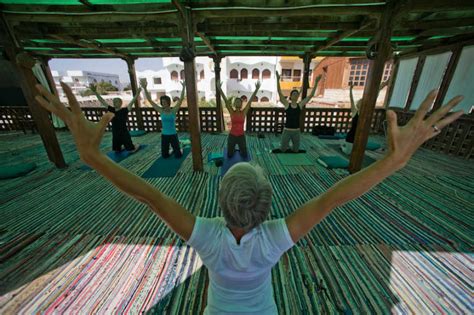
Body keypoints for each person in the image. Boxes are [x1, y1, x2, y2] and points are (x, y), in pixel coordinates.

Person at [35, 82, 463, 314]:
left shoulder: (204, 234)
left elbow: (145, 194)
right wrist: (393, 161)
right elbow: (336, 198)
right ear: (268, 203)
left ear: (219, 202)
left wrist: (91, 155)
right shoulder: (277, 235)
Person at [275, 72, 322, 153]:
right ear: (291, 96)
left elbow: (310, 96)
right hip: (287, 131)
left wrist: (316, 82)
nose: (296, 95)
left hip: (296, 131)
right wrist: (278, 80)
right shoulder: (287, 105)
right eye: (294, 94)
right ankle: (286, 145)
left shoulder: (300, 105)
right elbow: (279, 92)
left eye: (297, 94)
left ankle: (290, 146)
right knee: (282, 150)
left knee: (296, 150)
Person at [141, 79, 185, 159]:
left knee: (178, 156)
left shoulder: (173, 111)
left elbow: (181, 99)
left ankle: (180, 149)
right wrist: (145, 88)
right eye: (162, 102)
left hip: (173, 134)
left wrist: (184, 87)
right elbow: (150, 101)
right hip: (164, 135)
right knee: (165, 156)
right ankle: (173, 150)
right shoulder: (161, 111)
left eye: (165, 102)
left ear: (168, 102)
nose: (163, 103)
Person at [341, 80, 388, 154]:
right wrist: (350, 89)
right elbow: (351, 100)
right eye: (359, 101)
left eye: (361, 102)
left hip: (360, 138)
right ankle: (342, 146)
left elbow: (373, 98)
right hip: (351, 137)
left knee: (357, 153)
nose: (360, 102)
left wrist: (381, 87)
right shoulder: (354, 112)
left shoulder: (365, 113)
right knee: (348, 153)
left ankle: (346, 146)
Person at [91, 85, 141, 153]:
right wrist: (95, 92)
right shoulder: (112, 110)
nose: (115, 103)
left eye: (117, 102)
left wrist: (137, 94)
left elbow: (132, 101)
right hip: (115, 132)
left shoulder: (125, 110)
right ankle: (121, 147)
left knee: (131, 149)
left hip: (124, 132)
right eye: (114, 102)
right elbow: (102, 101)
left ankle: (134, 146)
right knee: (116, 150)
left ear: (121, 103)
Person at [217, 80, 260, 158]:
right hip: (232, 135)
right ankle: (233, 150)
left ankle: (239, 150)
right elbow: (226, 101)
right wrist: (220, 89)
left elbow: (250, 101)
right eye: (236, 101)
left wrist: (256, 89)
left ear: (241, 104)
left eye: (239, 102)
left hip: (241, 136)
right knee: (229, 155)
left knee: (244, 155)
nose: (237, 102)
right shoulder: (231, 112)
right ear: (234, 104)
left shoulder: (243, 113)